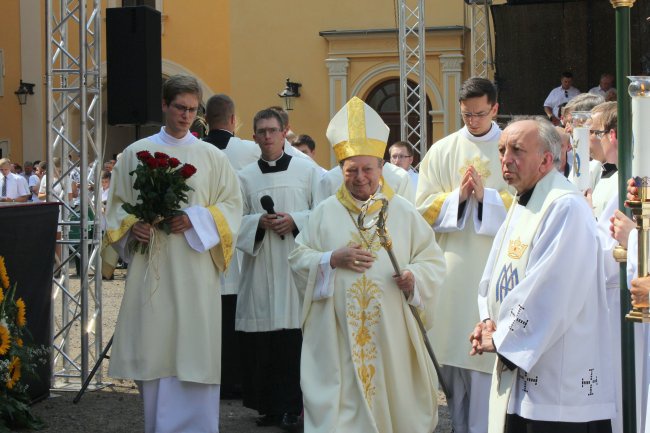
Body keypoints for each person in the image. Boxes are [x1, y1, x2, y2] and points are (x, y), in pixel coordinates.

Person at [289, 96, 446, 433]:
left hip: (391, 332)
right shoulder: (325, 212)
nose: (360, 178)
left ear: (380, 169)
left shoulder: (401, 210)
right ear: (341, 171)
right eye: (351, 170)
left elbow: (431, 259)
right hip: (339, 335)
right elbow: (298, 259)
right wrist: (331, 258)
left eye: (367, 169)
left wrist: (412, 277)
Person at [102, 74, 243, 433]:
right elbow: (116, 206)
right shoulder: (135, 154)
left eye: (193, 110)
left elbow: (232, 207)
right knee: (156, 347)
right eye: (179, 107)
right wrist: (133, 226)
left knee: (194, 349)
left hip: (196, 270)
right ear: (164, 105)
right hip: (154, 265)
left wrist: (196, 219)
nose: (185, 116)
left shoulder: (212, 157)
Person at [470, 117, 615, 433]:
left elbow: (550, 289)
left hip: (557, 382)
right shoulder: (525, 199)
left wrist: (502, 335)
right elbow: (495, 271)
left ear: (546, 160)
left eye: (517, 150)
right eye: (502, 150)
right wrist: (486, 319)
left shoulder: (564, 206)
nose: (506, 159)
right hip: (523, 367)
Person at [416, 77, 512, 433]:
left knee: (487, 364)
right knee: (453, 357)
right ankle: (459, 424)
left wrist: (487, 197)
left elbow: (526, 208)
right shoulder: (442, 151)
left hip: (497, 267)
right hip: (452, 271)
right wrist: (456, 197)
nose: (472, 121)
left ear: (495, 109)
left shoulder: (511, 147)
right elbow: (420, 210)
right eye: (466, 115)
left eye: (480, 114)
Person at [235, 108, 321, 430]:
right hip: (259, 269)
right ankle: (268, 406)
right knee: (264, 343)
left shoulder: (309, 171)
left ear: (285, 132)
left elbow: (323, 213)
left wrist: (295, 220)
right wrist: (258, 221)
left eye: (273, 130)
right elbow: (233, 222)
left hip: (295, 268)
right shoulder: (244, 177)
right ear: (254, 136)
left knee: (291, 341)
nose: (267, 136)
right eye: (261, 131)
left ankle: (292, 407)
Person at [202, 93, 259, 400]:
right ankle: (236, 380)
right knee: (235, 312)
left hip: (201, 240)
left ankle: (209, 375)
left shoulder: (195, 149)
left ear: (205, 120)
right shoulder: (249, 150)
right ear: (234, 120)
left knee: (207, 312)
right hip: (237, 241)